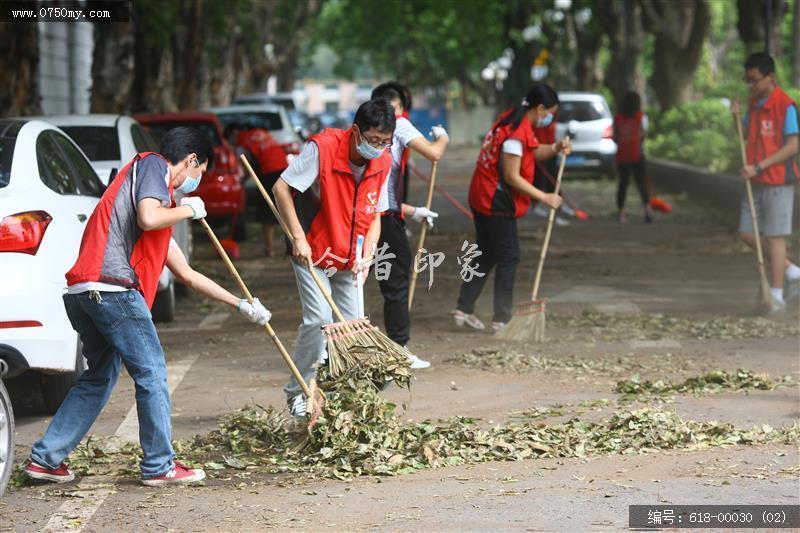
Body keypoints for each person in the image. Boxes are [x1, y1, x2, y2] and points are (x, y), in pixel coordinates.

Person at [24, 128, 272, 486]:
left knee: (99, 376)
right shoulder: (153, 166)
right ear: (190, 161)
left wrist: (242, 305)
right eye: (200, 172)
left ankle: (47, 459)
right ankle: (159, 465)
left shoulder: (159, 202)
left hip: (85, 292)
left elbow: (186, 274)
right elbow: (148, 217)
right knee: (152, 372)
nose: (196, 182)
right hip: (112, 289)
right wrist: (188, 209)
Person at [272, 99, 394, 417]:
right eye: (373, 140)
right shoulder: (323, 148)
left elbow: (376, 213)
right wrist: (298, 238)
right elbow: (280, 188)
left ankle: (343, 393)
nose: (378, 147)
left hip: (350, 253)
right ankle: (298, 390)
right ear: (355, 131)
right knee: (320, 320)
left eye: (385, 141)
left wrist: (368, 251)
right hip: (313, 248)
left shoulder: (384, 161)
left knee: (353, 326)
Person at [454, 84, 571, 332]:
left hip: (483, 193)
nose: (550, 118)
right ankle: (502, 319)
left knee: (487, 253)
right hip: (495, 200)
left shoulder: (511, 119)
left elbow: (530, 152)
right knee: (509, 256)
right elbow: (512, 176)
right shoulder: (516, 132)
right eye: (551, 112)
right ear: (540, 109)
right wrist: (544, 196)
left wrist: (555, 148)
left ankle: (464, 308)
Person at [370, 81, 450, 370]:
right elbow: (435, 153)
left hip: (369, 213)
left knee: (352, 281)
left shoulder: (365, 128)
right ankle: (398, 348)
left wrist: (414, 211)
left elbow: (379, 188)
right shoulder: (398, 125)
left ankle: (335, 350)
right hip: (383, 218)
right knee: (395, 279)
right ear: (398, 107)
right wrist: (442, 137)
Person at [731, 52, 800, 313]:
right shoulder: (753, 104)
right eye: (747, 80)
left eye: (754, 80)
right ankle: (792, 270)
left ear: (770, 78)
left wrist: (759, 166)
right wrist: (736, 116)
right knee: (746, 233)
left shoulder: (786, 106)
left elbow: (793, 145)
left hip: (778, 181)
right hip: (755, 181)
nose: (751, 85)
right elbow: (744, 134)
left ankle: (778, 294)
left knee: (774, 237)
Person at [613, 91, 652, 223]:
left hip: (622, 155)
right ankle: (647, 209)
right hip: (637, 154)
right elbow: (644, 136)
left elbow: (615, 138)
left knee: (623, 184)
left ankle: (621, 213)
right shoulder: (642, 117)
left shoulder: (617, 118)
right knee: (641, 183)